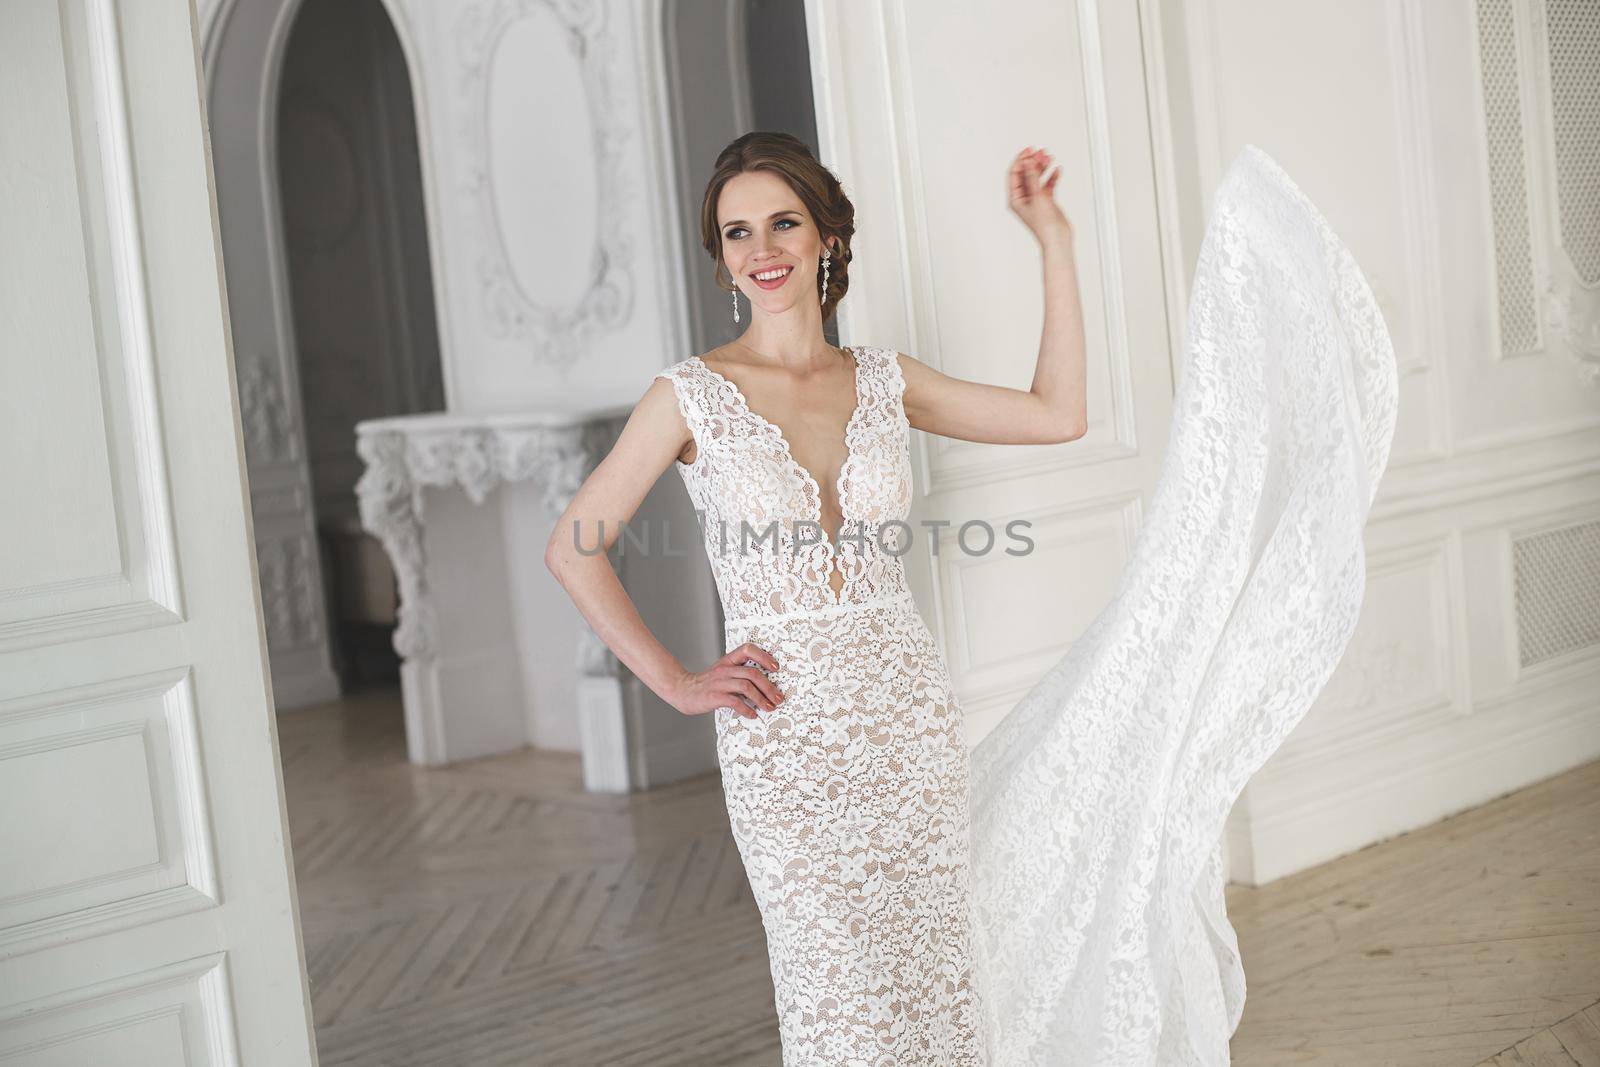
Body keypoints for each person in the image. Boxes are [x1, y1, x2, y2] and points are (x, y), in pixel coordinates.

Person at [546, 133, 1399, 1066]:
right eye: (738, 231)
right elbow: (574, 547)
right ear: (721, 259)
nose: (763, 249)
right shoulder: (689, 397)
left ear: (826, 235)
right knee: (835, 990)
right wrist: (675, 682)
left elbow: (1056, 412)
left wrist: (1053, 242)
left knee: (936, 976)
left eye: (783, 221)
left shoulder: (880, 379)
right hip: (784, 743)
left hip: (906, 723)